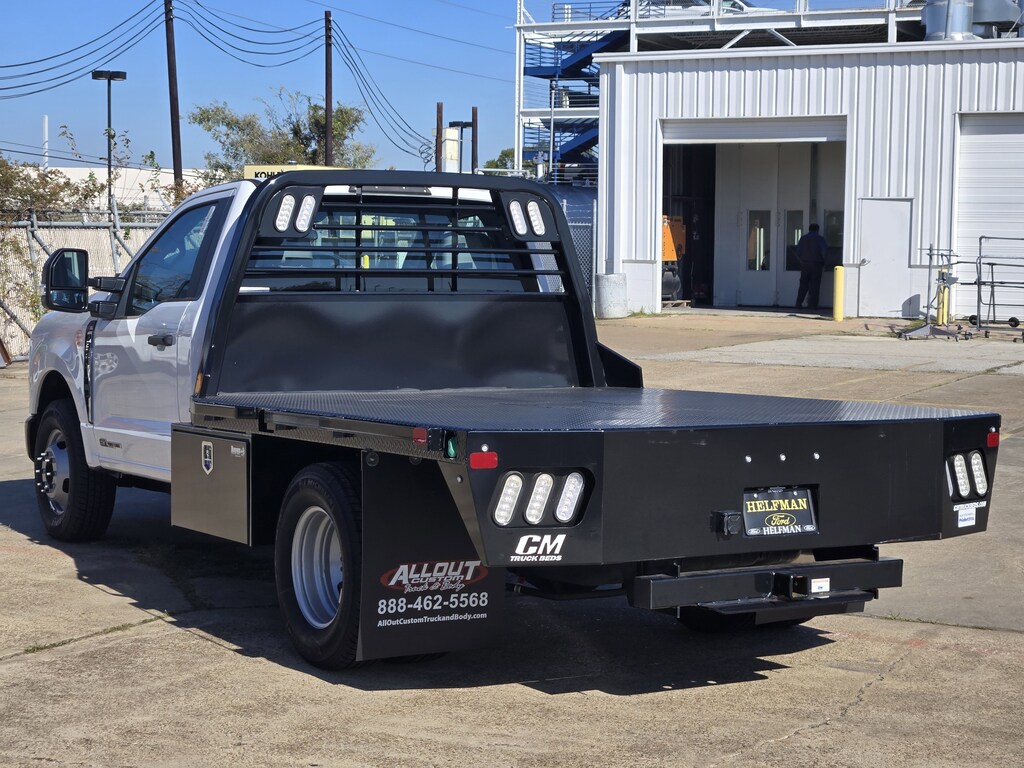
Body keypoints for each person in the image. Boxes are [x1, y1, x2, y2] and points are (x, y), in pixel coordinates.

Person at [795, 223, 828, 309]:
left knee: (803, 285)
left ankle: (798, 304)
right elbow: (824, 252)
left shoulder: (803, 239)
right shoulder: (820, 239)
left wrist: (801, 262)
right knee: (815, 286)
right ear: (817, 230)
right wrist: (824, 262)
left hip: (805, 264)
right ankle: (812, 305)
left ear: (809, 229)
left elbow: (798, 252)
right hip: (817, 264)